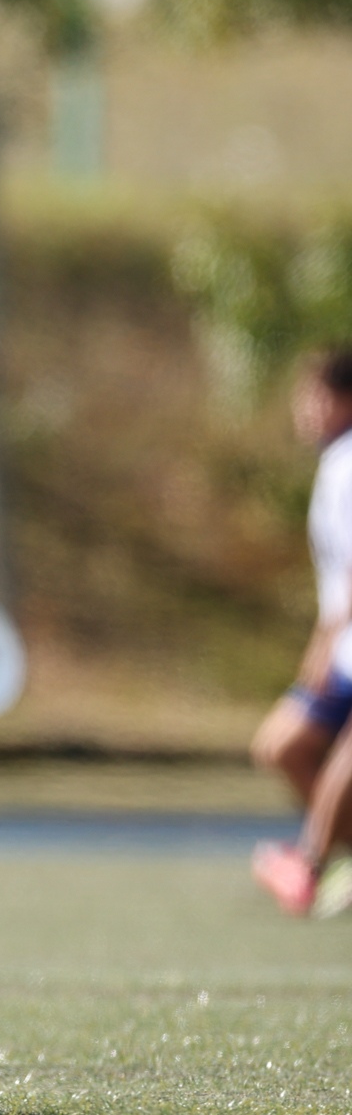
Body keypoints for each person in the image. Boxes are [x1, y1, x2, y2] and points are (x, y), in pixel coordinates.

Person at [250, 349, 352, 917]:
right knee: (279, 745)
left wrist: (324, 640)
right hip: (347, 651)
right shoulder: (336, 461)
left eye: (314, 397)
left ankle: (310, 860)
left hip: (344, 642)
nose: (303, 409)